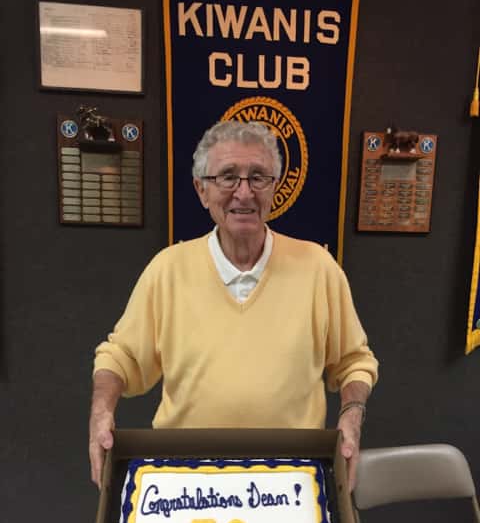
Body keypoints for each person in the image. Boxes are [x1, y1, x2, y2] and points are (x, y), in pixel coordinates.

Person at [89, 120, 378, 491]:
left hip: (291, 481)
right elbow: (121, 357)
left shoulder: (319, 268)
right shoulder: (167, 269)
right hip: (186, 481)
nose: (244, 193)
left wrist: (352, 413)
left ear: (275, 188)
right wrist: (101, 411)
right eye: (227, 177)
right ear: (202, 190)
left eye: (258, 177)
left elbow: (354, 361)